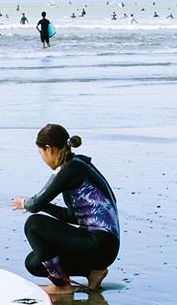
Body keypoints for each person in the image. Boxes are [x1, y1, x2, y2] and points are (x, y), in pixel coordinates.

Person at [13, 124, 120, 295]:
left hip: (100, 243)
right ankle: (92, 272)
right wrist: (44, 206)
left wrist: (25, 202)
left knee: (33, 224)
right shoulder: (77, 164)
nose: (41, 158)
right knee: (34, 263)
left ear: (48, 149)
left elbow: (34, 204)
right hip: (104, 246)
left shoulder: (69, 170)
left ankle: (61, 285)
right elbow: (73, 216)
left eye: (40, 153)